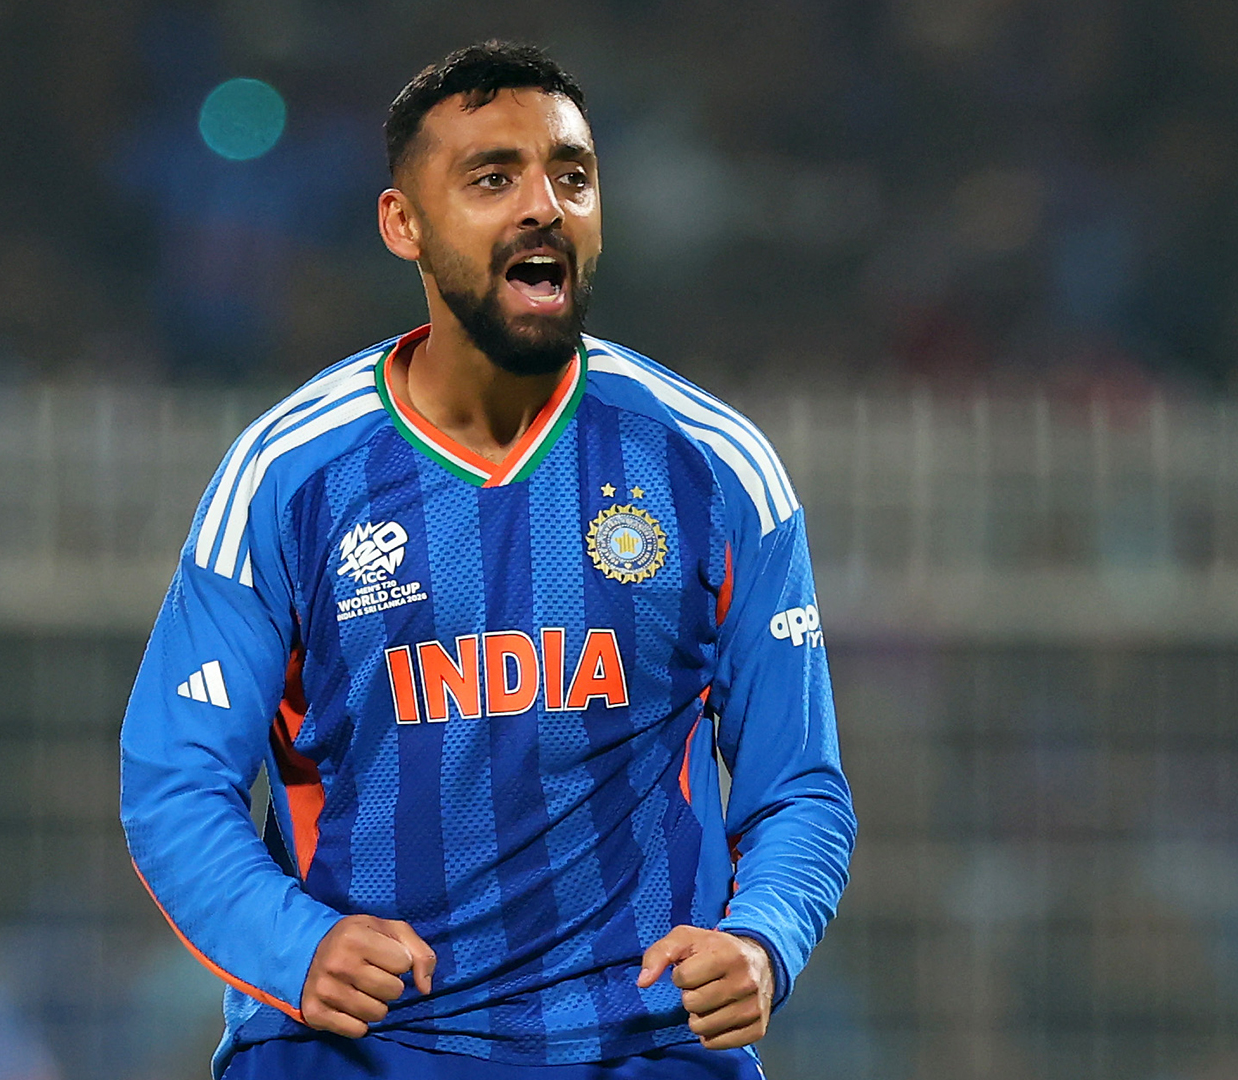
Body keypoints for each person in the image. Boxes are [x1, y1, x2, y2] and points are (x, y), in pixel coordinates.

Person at [120, 41, 855, 1080]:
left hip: (642, 1048)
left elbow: (799, 788)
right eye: (493, 178)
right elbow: (175, 779)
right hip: (359, 1049)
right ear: (403, 224)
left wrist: (764, 938)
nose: (544, 206)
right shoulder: (290, 475)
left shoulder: (712, 467)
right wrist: (296, 947)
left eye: (572, 176)